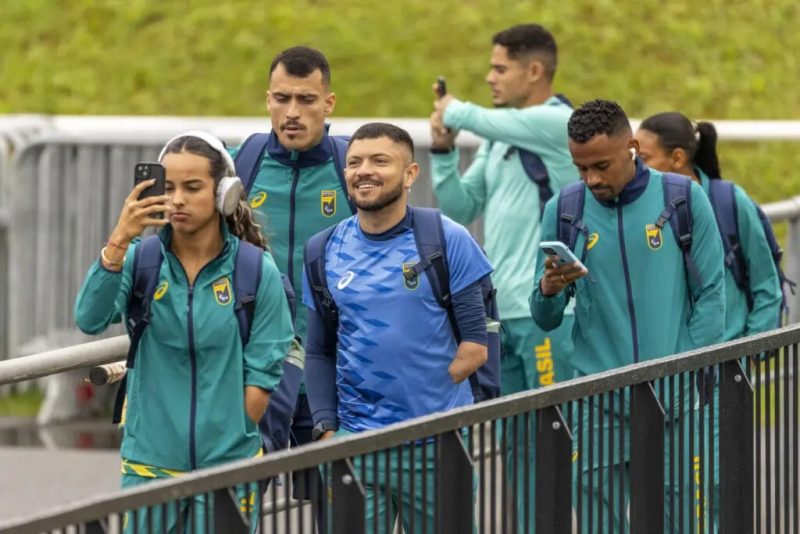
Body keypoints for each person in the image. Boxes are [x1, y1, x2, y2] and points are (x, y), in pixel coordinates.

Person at [74, 131, 294, 533]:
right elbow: (89, 318)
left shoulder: (255, 271)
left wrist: (231, 435)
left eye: (192, 187)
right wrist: (119, 240)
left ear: (223, 193)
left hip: (229, 473)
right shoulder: (141, 260)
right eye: (169, 187)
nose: (177, 199)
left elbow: (263, 373)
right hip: (148, 469)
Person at [530, 99, 726, 531]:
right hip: (598, 404)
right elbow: (544, 317)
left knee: (685, 524)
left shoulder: (682, 199)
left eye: (601, 165)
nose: (591, 179)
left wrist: (683, 371)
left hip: (675, 403)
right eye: (581, 168)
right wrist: (548, 289)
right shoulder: (564, 211)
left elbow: (712, 296)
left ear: (632, 147)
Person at [303, 122, 493, 532]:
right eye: (354, 162)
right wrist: (325, 429)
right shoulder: (321, 250)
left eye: (379, 161)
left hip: (437, 449)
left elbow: (476, 340)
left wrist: (438, 400)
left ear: (410, 174)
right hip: (355, 447)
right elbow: (317, 349)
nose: (363, 170)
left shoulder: (447, 239)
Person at [429, 23, 580, 529]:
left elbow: (469, 114)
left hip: (547, 315)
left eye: (500, 68)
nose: (490, 79)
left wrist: (451, 110)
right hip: (504, 316)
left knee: (553, 442)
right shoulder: (499, 139)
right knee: (517, 446)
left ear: (533, 70)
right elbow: (460, 204)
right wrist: (445, 152)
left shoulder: (559, 123)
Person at [229, 46, 354, 453]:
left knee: (340, 512)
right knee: (237, 506)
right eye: (282, 98)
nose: (292, 112)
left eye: (306, 99)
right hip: (258, 376)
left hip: (336, 378)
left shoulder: (353, 168)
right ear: (268, 100)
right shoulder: (241, 166)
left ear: (329, 103)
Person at [635, 112, 782, 340]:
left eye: (643, 158)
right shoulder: (642, 209)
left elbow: (767, 284)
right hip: (670, 364)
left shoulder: (730, 201)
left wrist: (750, 352)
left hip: (729, 363)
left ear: (677, 157)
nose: (636, 167)